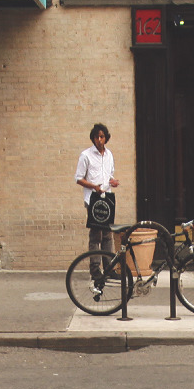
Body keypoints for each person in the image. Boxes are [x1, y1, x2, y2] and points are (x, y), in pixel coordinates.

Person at [75, 123, 120, 290]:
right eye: (96, 137)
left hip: (106, 199)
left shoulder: (109, 155)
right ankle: (95, 270)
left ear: (106, 138)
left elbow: (109, 175)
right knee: (96, 235)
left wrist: (112, 182)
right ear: (93, 138)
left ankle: (110, 268)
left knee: (108, 234)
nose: (99, 140)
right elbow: (78, 178)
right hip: (93, 199)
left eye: (102, 137)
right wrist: (94, 186)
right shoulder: (85, 155)